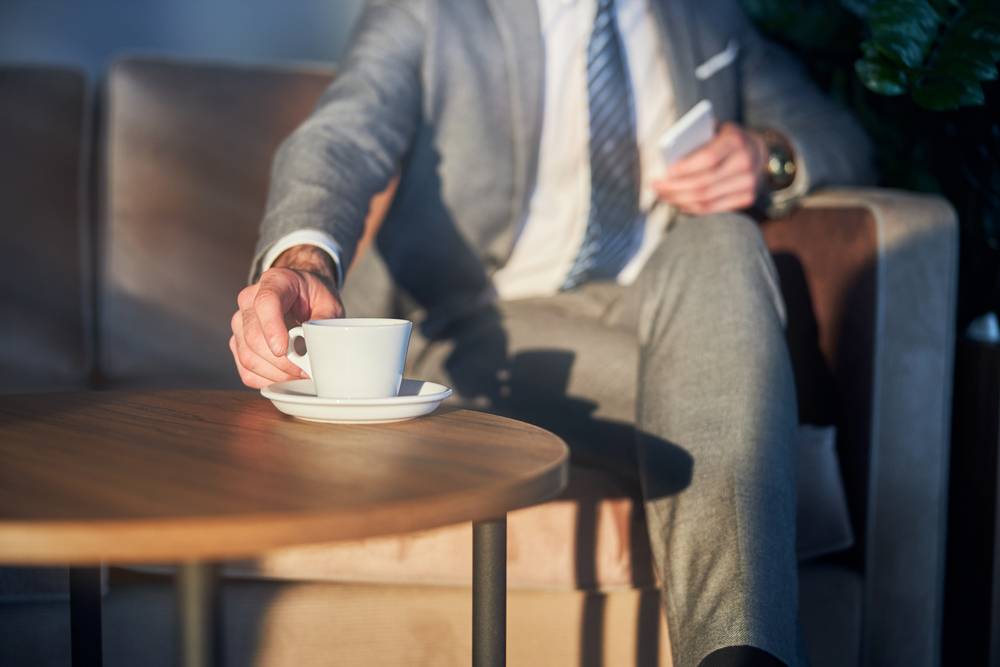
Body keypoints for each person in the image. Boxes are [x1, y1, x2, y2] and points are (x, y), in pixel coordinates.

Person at [229, 0, 873, 664]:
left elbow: (840, 136)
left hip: (655, 301)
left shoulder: (702, 15)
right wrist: (301, 260)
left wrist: (767, 157)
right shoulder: (433, 12)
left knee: (724, 236)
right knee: (730, 404)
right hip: (479, 324)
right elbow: (344, 136)